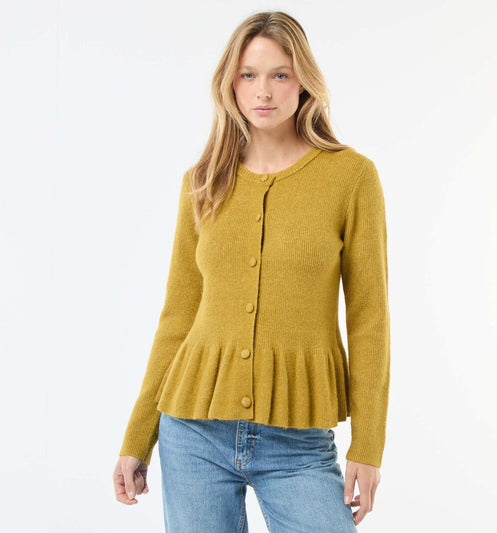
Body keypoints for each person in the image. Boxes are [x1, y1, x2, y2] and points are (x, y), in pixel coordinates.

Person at [112, 10, 390, 533]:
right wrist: (138, 437)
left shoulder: (351, 177)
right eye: (248, 75)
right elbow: (178, 316)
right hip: (192, 433)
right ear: (231, 84)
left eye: (280, 74)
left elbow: (370, 319)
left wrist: (368, 445)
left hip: (298, 441)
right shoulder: (203, 181)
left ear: (303, 82)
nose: (263, 91)